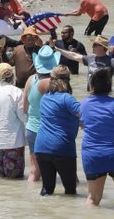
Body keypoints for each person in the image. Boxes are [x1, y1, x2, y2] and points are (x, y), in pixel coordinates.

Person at [78, 68, 114, 208]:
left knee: (92, 199)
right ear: (110, 87)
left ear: (91, 86)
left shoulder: (84, 105)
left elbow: (81, 123)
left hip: (92, 155)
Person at [34, 65, 81, 196]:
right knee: (70, 191)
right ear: (67, 80)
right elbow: (85, 114)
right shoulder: (67, 98)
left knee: (47, 190)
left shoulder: (45, 97)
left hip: (41, 147)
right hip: (62, 148)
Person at [22, 45, 59, 181]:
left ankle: (31, 200)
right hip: (51, 130)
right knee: (64, 171)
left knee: (34, 172)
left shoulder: (31, 80)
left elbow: (24, 107)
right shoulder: (55, 83)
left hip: (32, 128)